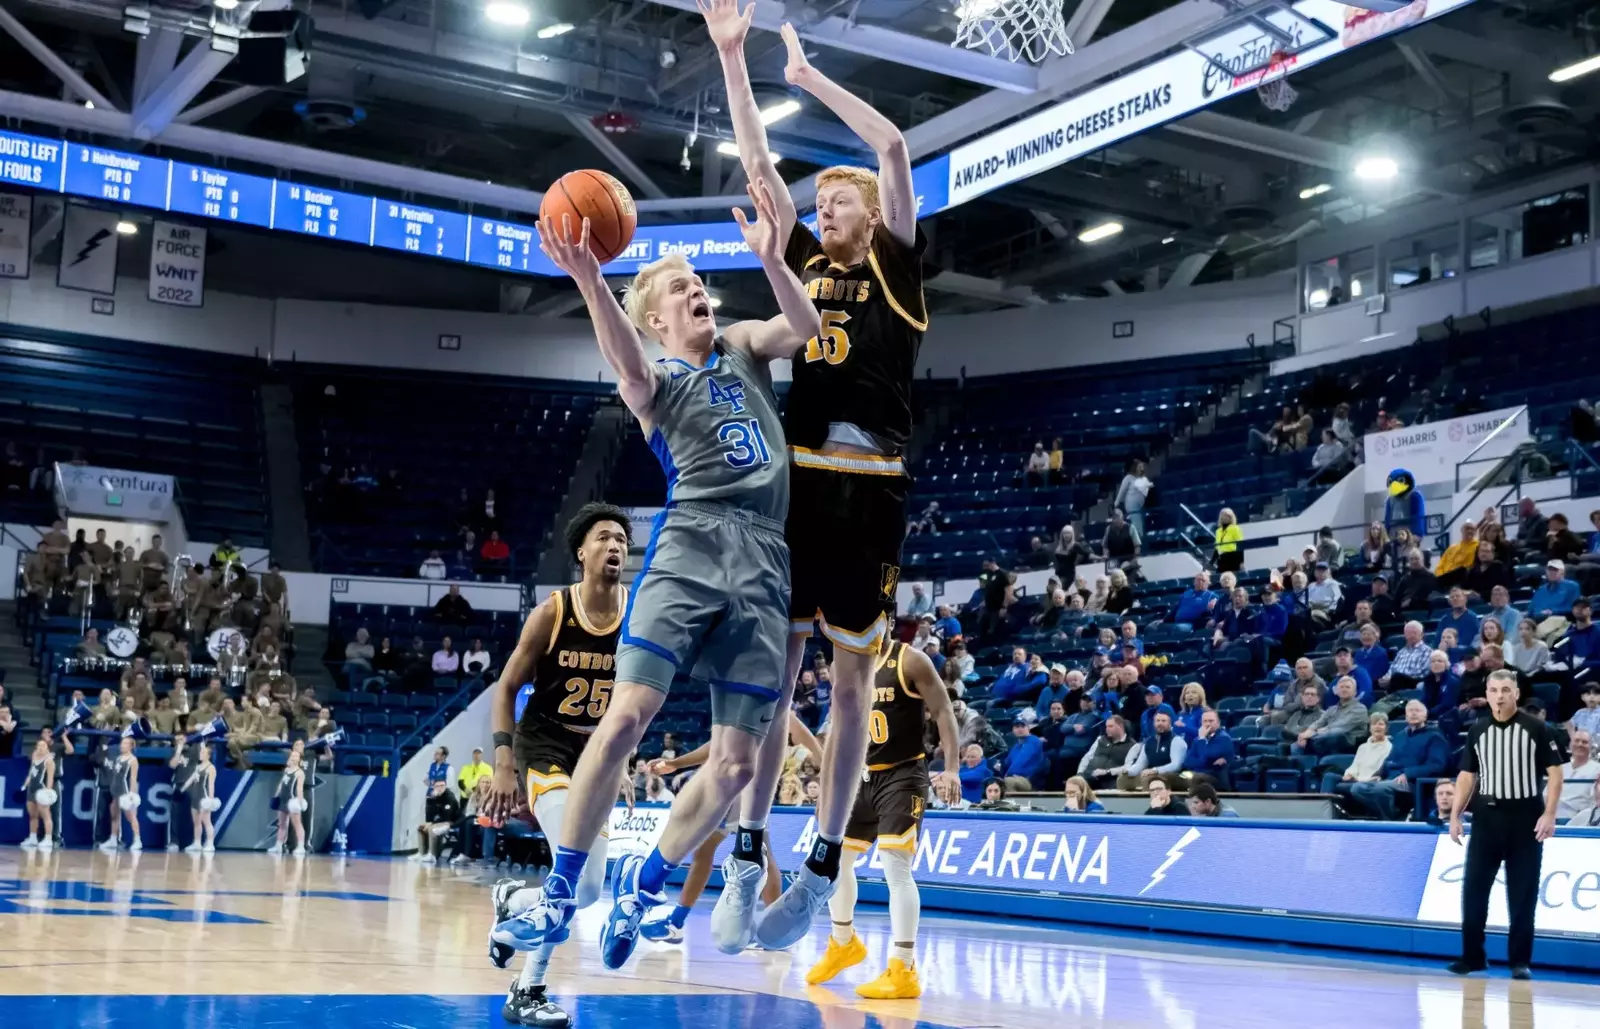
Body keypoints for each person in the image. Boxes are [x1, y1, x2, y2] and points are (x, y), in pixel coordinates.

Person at [704, 2, 934, 956]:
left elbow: (892, 145)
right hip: (799, 481)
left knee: (848, 690)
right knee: (770, 674)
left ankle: (823, 861)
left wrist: (807, 78)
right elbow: (760, 170)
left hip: (870, 486)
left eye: (838, 199)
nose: (824, 206)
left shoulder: (896, 262)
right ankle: (746, 853)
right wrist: (731, 57)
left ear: (870, 216)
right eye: (824, 201)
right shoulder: (799, 258)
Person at [479, 504, 633, 1026]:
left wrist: (624, 758)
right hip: (544, 746)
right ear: (582, 553)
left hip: (596, 755)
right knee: (573, 866)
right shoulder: (552, 612)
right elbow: (505, 687)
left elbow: (633, 695)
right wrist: (503, 762)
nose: (616, 546)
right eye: (605, 538)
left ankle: (514, 897)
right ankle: (530, 989)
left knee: (588, 886)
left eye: (622, 540)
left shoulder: (636, 614)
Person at [803, 633, 960, 998]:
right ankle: (843, 943)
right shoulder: (847, 664)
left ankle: (903, 968)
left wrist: (951, 768)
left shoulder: (910, 660)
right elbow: (839, 730)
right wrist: (828, 786)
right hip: (861, 776)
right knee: (836, 860)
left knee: (895, 865)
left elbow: (943, 711)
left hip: (902, 775)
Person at [638, 711, 821, 945]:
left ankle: (772, 930)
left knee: (757, 851)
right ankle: (678, 922)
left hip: (746, 784)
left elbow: (805, 737)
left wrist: (826, 773)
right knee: (712, 850)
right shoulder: (754, 704)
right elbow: (719, 746)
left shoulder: (775, 706)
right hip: (741, 783)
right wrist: (676, 763)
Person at [1448, 670, 1565, 979]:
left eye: (1505, 690)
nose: (1499, 696)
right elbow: (1466, 776)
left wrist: (1550, 813)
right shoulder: (1477, 730)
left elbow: (1555, 774)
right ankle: (1472, 957)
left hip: (1526, 819)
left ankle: (1519, 961)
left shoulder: (1538, 728)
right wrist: (1455, 815)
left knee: (1523, 895)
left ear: (1516, 694)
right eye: (1494, 690)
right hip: (1486, 820)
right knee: (1473, 891)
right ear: (1486, 694)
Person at [1348, 700, 1449, 820]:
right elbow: (1390, 760)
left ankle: (1389, 821)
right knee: (1357, 788)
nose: (1413, 713)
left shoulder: (1434, 736)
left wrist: (1408, 773)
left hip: (1414, 782)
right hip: (1392, 779)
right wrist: (1379, 774)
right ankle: (1393, 816)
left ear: (1425, 715)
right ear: (1406, 716)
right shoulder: (1400, 736)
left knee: (1381, 789)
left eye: (1417, 710)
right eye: (1410, 711)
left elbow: (1437, 765)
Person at [100, 734, 142, 853]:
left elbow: (133, 778)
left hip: (125, 791)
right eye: (122, 743)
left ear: (130, 746)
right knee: (114, 815)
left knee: (130, 816)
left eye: (125, 744)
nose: (122, 746)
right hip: (115, 790)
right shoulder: (118, 758)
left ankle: (137, 840)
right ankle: (113, 839)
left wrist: (132, 795)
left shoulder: (133, 760)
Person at [177, 740, 219, 853]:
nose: (200, 754)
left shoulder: (211, 768)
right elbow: (191, 779)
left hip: (204, 798)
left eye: (203, 753)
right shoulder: (198, 767)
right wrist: (182, 789)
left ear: (208, 755)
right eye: (200, 753)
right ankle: (197, 843)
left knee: (206, 821)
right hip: (195, 797)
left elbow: (211, 785)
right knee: (196, 822)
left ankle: (210, 844)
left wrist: (210, 800)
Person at [20, 736, 56, 852]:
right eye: (39, 746)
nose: (41, 748)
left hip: (42, 790)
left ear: (47, 748)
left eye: (43, 746)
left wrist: (48, 792)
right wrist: (25, 785)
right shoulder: (34, 756)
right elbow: (31, 772)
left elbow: (50, 779)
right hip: (32, 789)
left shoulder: (49, 761)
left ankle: (48, 839)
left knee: (46, 815)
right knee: (32, 815)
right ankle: (32, 838)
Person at [1114, 459, 1152, 543]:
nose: (1141, 468)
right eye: (1139, 467)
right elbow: (1122, 491)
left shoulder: (1141, 478)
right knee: (1138, 528)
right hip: (1132, 506)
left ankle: (1138, 544)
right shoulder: (1128, 478)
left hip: (1140, 506)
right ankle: (1137, 547)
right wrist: (1116, 503)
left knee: (1139, 527)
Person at [1213, 507, 1244, 575]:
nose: (1224, 517)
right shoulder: (1218, 531)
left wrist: (1241, 561)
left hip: (1232, 557)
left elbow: (1241, 545)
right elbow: (1217, 547)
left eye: (1227, 516)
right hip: (1222, 559)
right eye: (1223, 515)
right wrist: (1211, 562)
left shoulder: (1235, 529)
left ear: (1231, 517)